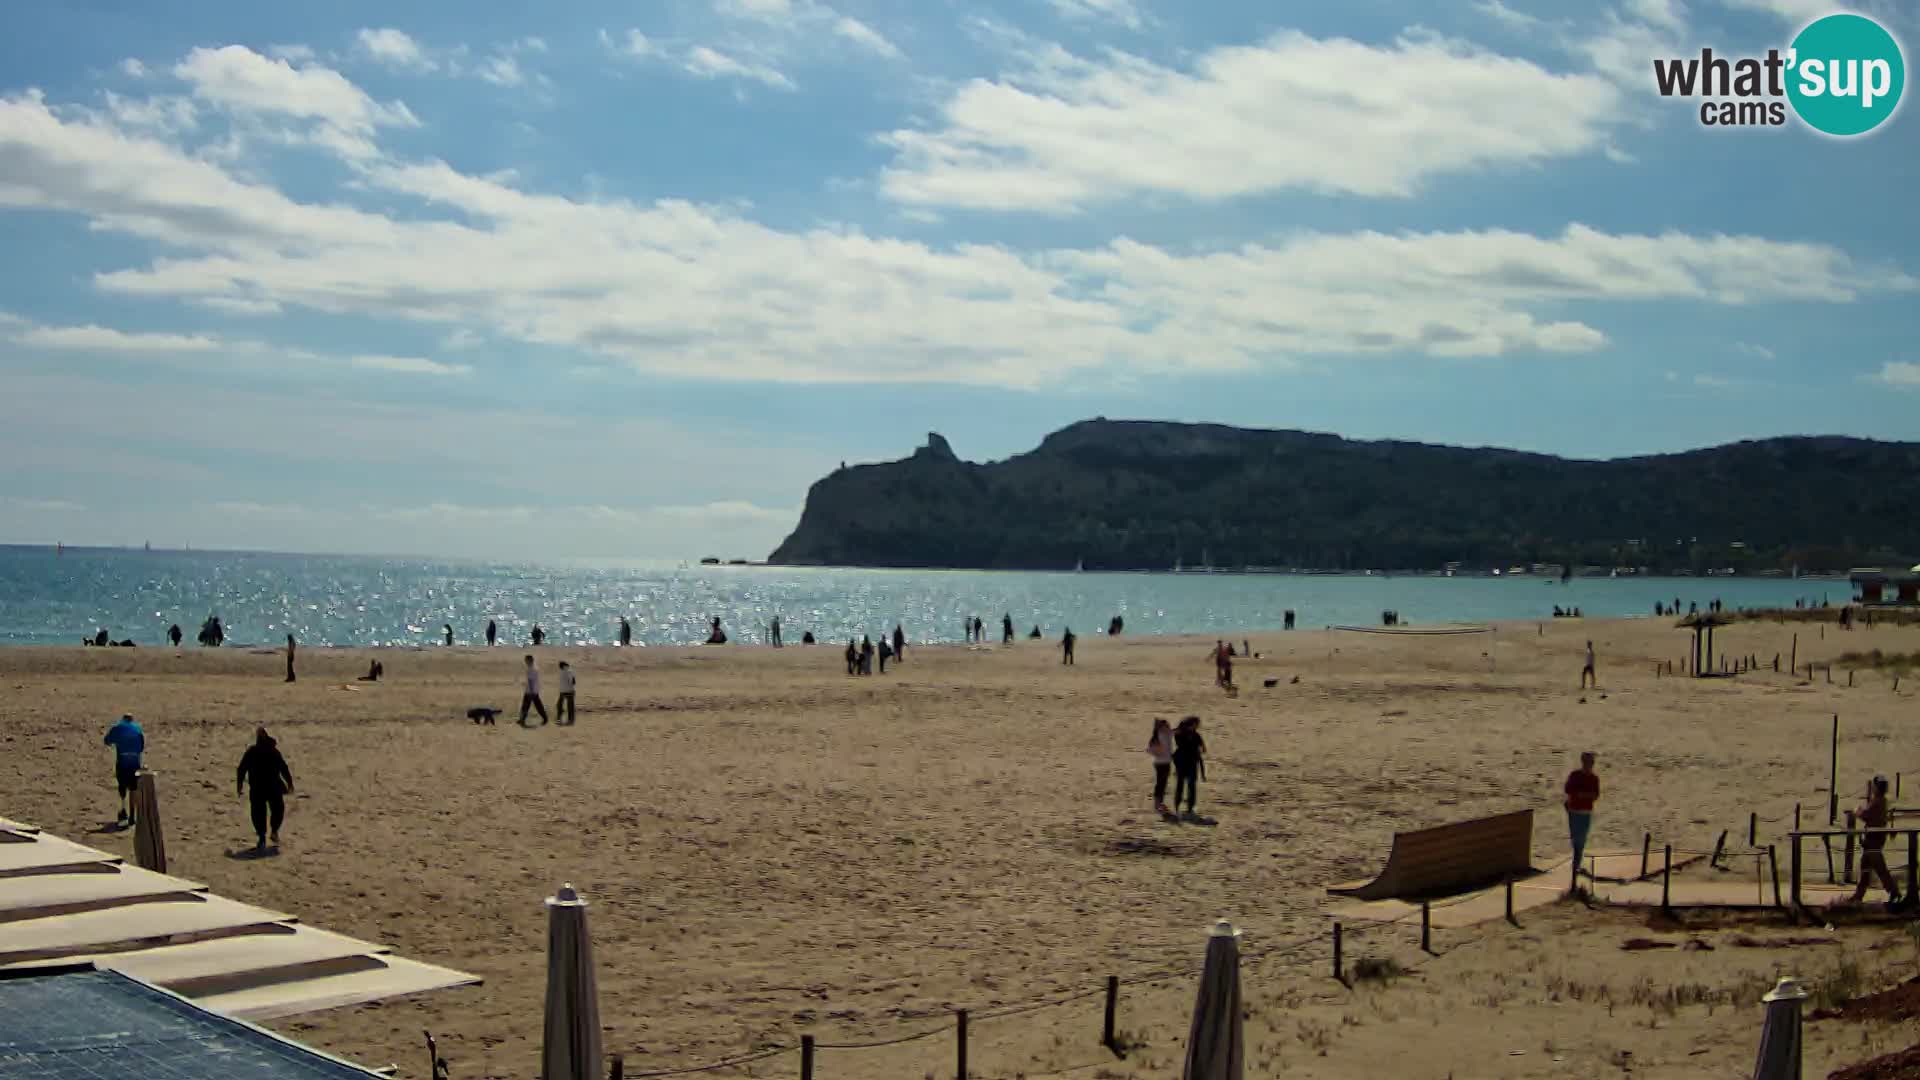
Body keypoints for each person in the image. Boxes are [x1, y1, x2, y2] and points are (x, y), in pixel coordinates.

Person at [1841, 776, 1901, 907]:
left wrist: (1857, 811)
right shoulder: (1881, 801)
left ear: (1876, 787)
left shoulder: (1877, 802)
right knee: (1865, 870)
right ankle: (1859, 895)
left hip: (1873, 841)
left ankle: (1894, 892)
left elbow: (1866, 815)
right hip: (1872, 841)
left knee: (1880, 870)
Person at [236, 727, 293, 852]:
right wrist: (289, 783)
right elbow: (284, 768)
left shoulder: (254, 751)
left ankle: (264, 836)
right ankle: (272, 832)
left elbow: (241, 769)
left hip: (260, 788)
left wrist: (239, 785)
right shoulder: (272, 751)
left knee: (260, 813)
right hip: (271, 787)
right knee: (275, 811)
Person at [1563, 752, 1600, 895]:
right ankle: (1576, 864)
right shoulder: (1575, 775)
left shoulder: (1594, 778)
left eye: (1591, 763)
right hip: (1574, 811)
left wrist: (1583, 795)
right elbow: (1568, 789)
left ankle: (1576, 864)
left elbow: (1595, 795)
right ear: (1583, 762)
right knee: (1575, 838)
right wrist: (1581, 794)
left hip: (1585, 812)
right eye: (1588, 763)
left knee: (1581, 839)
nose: (1589, 766)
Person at [103, 714, 145, 825]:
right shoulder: (137, 728)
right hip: (135, 762)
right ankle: (132, 814)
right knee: (133, 788)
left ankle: (123, 808)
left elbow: (107, 741)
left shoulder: (118, 727)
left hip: (122, 760)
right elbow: (141, 747)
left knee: (122, 786)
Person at [1172, 716, 1206, 816]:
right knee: (1181, 785)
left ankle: (1189, 808)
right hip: (1183, 762)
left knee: (1190, 786)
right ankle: (1178, 807)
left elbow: (1203, 749)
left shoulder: (1195, 735)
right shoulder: (1181, 733)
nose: (1197, 726)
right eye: (1196, 724)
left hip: (1191, 762)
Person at [1147, 718, 1174, 815]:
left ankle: (1160, 804)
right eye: (1166, 726)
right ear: (1161, 728)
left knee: (1163, 784)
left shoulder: (1168, 734)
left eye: (1168, 725)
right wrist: (1158, 752)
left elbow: (1175, 731)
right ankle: (1158, 804)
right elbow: (1149, 750)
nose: (1168, 727)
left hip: (1166, 762)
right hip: (1160, 763)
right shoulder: (1159, 736)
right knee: (1160, 784)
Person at [520, 655, 549, 726]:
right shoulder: (534, 668)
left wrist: (531, 691)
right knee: (537, 705)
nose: (525, 662)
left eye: (526, 660)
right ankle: (545, 718)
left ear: (529, 660)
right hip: (533, 690)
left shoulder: (531, 669)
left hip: (530, 691)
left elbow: (531, 681)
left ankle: (522, 720)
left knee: (526, 706)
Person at [556, 661, 577, 725]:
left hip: (569, 691)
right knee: (559, 705)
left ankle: (570, 720)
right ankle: (561, 719)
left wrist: (572, 678)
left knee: (569, 707)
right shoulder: (564, 672)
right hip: (563, 691)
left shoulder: (569, 672)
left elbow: (573, 682)